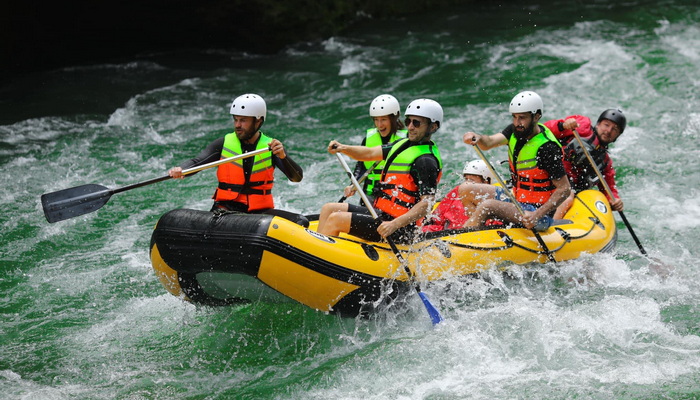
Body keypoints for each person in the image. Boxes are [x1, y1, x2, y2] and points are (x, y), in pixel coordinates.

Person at [168, 93, 308, 226]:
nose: (237, 125)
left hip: (259, 213)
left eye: (243, 120)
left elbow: (297, 178)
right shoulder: (223, 143)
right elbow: (197, 162)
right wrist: (181, 169)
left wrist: (283, 157)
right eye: (235, 119)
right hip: (226, 210)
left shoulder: (272, 147)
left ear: (258, 121)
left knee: (300, 221)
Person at [317, 98, 444, 243]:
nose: (410, 127)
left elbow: (426, 204)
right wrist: (343, 148)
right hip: (384, 214)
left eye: (417, 123)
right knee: (329, 209)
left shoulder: (426, 161)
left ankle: (317, 260)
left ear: (433, 127)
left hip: (401, 228)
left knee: (336, 219)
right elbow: (369, 153)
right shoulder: (403, 144)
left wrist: (394, 224)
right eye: (408, 121)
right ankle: (316, 249)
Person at [457, 91, 572, 231]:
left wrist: (537, 214)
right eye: (515, 117)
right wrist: (477, 137)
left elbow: (564, 189)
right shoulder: (515, 131)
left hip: (538, 214)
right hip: (517, 199)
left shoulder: (547, 148)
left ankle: (468, 236)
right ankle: (477, 231)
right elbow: (489, 143)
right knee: (465, 189)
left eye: (522, 118)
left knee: (488, 206)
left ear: (536, 116)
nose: (517, 123)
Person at [544, 109, 626, 219]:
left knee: (570, 195)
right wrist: (562, 125)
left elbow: (609, 190)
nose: (608, 131)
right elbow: (545, 129)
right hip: (553, 173)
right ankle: (552, 230)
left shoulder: (605, 162)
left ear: (617, 136)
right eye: (606, 125)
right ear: (598, 124)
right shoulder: (582, 127)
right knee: (567, 197)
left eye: (614, 129)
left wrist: (615, 201)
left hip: (572, 188)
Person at [343, 94, 407, 205]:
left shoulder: (406, 140)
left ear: (394, 118)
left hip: (396, 196)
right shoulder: (368, 139)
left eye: (383, 119)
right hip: (370, 194)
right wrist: (353, 184)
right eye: (376, 120)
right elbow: (362, 166)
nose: (379, 124)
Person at [421, 160, 495, 232]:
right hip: (450, 234)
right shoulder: (457, 192)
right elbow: (436, 219)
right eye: (466, 179)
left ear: (486, 182)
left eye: (472, 180)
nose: (467, 184)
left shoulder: (494, 200)